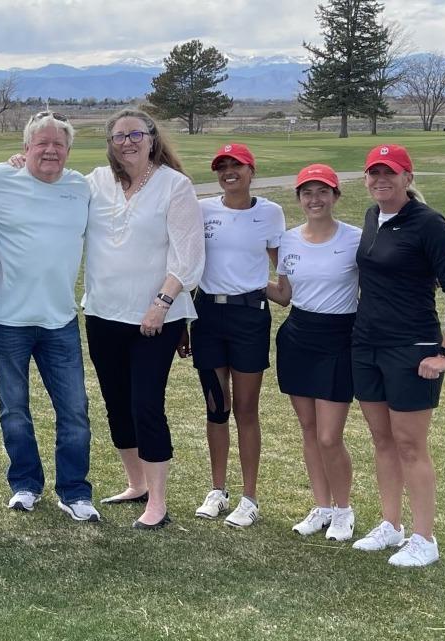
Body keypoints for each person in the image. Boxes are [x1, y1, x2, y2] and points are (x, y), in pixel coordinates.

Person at [81, 109, 203, 529]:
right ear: (110, 143)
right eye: (119, 136)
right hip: (102, 311)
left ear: (152, 138)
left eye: (136, 134)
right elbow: (54, 196)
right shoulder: (96, 182)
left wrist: (162, 302)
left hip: (155, 317)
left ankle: (159, 502)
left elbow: (187, 254)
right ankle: (137, 485)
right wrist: (20, 166)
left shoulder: (175, 185)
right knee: (117, 402)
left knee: (145, 403)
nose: (128, 142)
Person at [0, 111, 98, 522]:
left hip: (59, 319)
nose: (50, 150)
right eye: (40, 143)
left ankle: (74, 491)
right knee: (14, 409)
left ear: (68, 151)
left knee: (74, 410)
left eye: (58, 144)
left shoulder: (81, 187)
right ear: (25, 148)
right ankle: (25, 484)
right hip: (6, 318)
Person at [349, 144, 445, 567]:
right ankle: (390, 524)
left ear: (407, 177)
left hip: (412, 347)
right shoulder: (371, 216)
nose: (381, 180)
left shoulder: (429, 222)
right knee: (382, 439)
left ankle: (425, 538)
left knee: (410, 444)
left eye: (391, 173)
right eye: (374, 173)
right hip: (366, 344)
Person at [265, 164, 360, 542]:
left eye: (323, 192)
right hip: (297, 337)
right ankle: (321, 507)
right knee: (308, 430)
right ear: (299, 198)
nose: (315, 199)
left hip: (339, 337)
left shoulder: (356, 239)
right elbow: (285, 296)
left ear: (336, 196)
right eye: (307, 193)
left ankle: (343, 510)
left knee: (329, 436)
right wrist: (245, 283)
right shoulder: (288, 239)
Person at [192, 143, 284, 528]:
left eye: (237, 166)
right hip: (207, 315)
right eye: (223, 167)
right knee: (217, 407)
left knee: (246, 409)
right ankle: (217, 490)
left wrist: (268, 289)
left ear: (251, 171)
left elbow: (285, 268)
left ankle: (249, 497)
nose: (230, 172)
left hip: (250, 317)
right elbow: (190, 263)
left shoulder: (270, 213)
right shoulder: (203, 210)